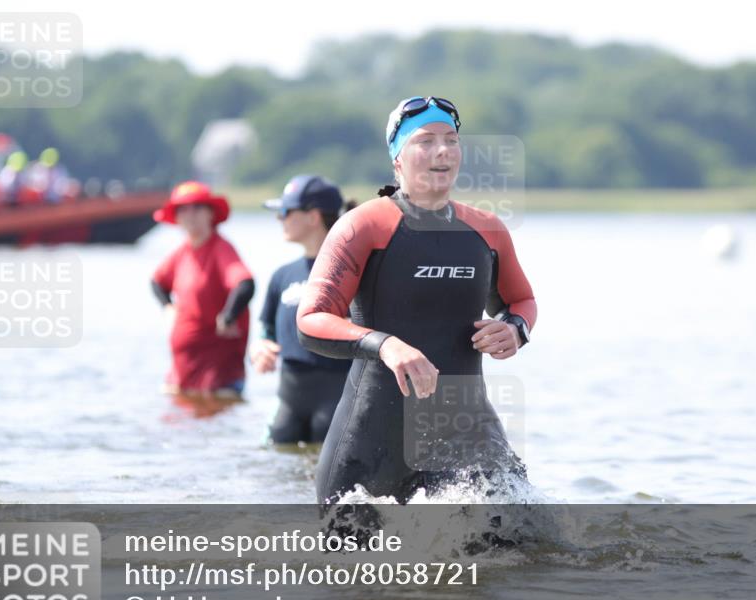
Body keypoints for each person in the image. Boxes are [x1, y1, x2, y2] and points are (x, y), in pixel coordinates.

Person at [296, 97, 537, 504]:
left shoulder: (486, 230)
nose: (442, 151)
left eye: (451, 140)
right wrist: (385, 345)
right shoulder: (364, 226)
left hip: (467, 433)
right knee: (352, 567)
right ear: (397, 158)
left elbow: (522, 300)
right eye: (425, 141)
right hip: (373, 440)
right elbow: (312, 319)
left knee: (527, 555)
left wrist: (515, 329)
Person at [251, 175, 358, 445]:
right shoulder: (281, 276)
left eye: (285, 212)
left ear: (313, 217)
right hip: (290, 401)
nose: (279, 219)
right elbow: (266, 332)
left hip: (338, 398)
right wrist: (259, 349)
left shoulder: (355, 274)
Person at [151, 181, 255, 399]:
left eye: (197, 207)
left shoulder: (220, 248)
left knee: (214, 424)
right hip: (182, 372)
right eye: (183, 209)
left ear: (210, 213)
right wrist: (167, 307)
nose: (190, 215)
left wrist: (228, 317)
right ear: (176, 218)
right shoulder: (182, 253)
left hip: (218, 375)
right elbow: (157, 281)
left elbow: (245, 284)